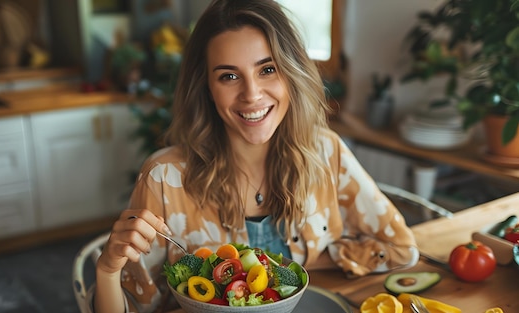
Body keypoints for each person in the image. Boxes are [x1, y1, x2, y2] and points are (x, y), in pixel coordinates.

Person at [94, 0, 418, 312]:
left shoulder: (326, 152)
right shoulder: (164, 179)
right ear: (206, 86)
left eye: (267, 69)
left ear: (291, 73)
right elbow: (133, 305)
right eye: (229, 76)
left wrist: (306, 264)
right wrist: (108, 269)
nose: (251, 94)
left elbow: (401, 250)